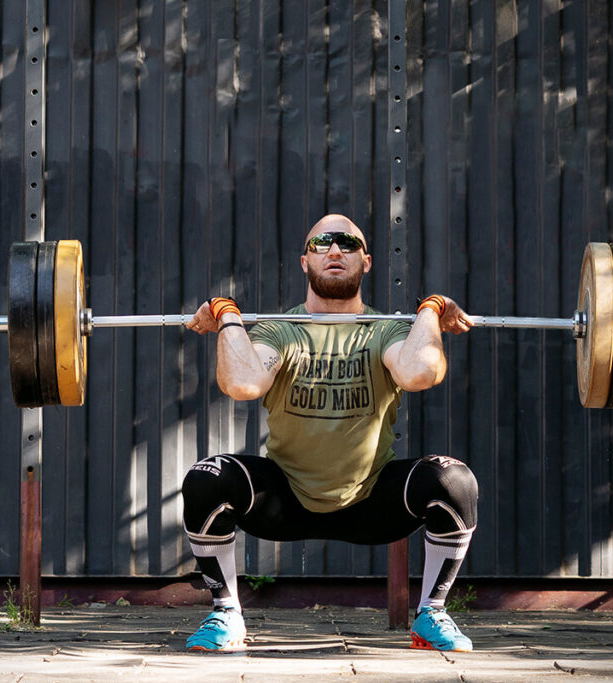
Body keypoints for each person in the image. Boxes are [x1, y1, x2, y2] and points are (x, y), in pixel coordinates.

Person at [182, 214, 478, 652]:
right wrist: (226, 315)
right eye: (322, 242)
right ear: (305, 261)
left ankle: (431, 614)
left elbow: (419, 371)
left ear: (367, 261)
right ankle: (227, 614)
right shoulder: (281, 330)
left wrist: (431, 310)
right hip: (285, 501)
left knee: (453, 479)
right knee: (207, 478)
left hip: (372, 501)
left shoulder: (385, 330)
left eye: (347, 243)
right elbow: (243, 384)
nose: (335, 251)